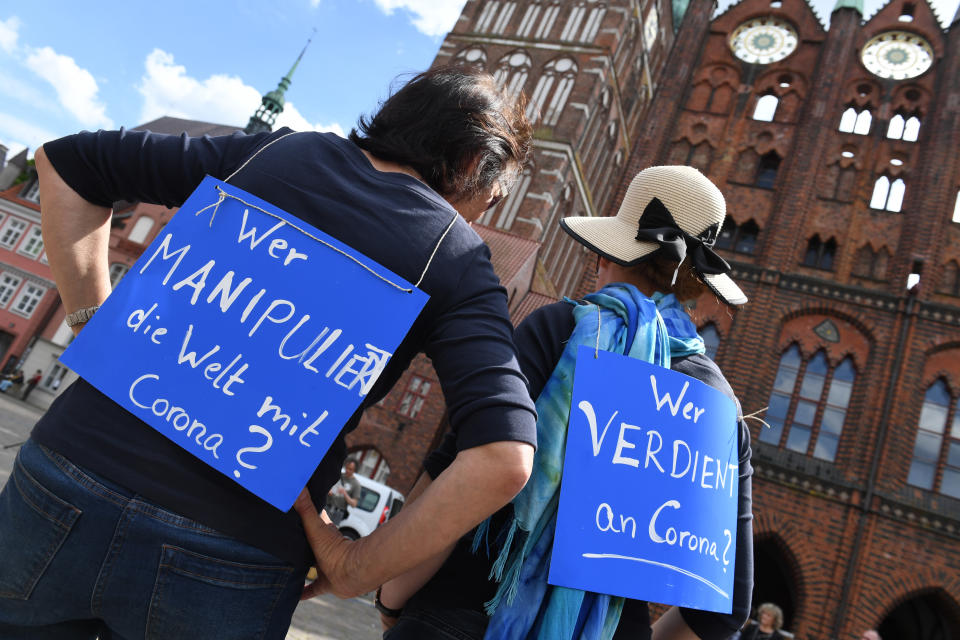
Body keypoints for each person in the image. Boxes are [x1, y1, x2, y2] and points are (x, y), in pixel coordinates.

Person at [0, 67, 537, 639]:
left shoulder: (279, 153)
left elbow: (66, 162)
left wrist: (93, 321)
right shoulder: (453, 255)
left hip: (69, 474)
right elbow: (503, 457)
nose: (490, 208)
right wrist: (359, 568)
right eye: (495, 192)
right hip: (232, 550)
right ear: (471, 166)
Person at [349, 165, 755, 639]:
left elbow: (465, 473)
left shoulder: (560, 329)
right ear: (697, 285)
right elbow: (725, 606)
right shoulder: (720, 408)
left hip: (460, 616)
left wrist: (392, 598)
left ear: (609, 256)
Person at [326, 459, 362, 526]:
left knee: (330, 532)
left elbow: (354, 504)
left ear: (354, 470)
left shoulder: (356, 484)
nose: (347, 470)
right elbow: (326, 486)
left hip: (338, 512)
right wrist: (328, 490)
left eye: (350, 469)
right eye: (347, 468)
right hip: (327, 506)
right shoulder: (338, 475)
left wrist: (345, 494)